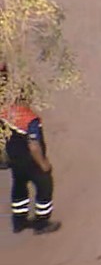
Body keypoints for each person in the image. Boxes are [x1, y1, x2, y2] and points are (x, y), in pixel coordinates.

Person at [1, 100, 60, 234]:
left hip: (15, 160)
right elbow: (34, 146)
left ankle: (19, 221)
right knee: (45, 188)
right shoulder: (30, 119)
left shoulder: (4, 113)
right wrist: (43, 163)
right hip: (32, 163)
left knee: (19, 186)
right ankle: (42, 222)